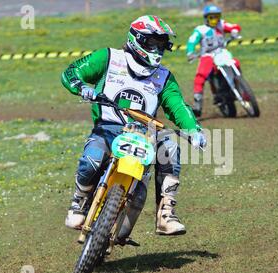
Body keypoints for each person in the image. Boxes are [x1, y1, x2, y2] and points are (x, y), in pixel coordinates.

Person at [61, 15, 207, 236]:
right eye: (153, 43)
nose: (158, 49)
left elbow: (177, 106)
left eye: (161, 44)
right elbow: (72, 72)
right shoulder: (108, 58)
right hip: (108, 128)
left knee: (171, 148)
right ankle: (79, 202)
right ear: (137, 39)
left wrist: (193, 129)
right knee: (92, 159)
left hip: (146, 133)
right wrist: (81, 87)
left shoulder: (164, 77)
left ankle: (166, 214)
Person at [186, 4, 242, 117]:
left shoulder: (221, 24)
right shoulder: (200, 29)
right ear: (206, 18)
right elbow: (192, 41)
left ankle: (240, 85)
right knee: (200, 77)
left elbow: (234, 26)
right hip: (208, 56)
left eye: (217, 17)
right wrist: (190, 52)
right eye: (212, 17)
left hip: (222, 53)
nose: (214, 19)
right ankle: (198, 105)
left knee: (236, 63)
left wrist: (235, 31)